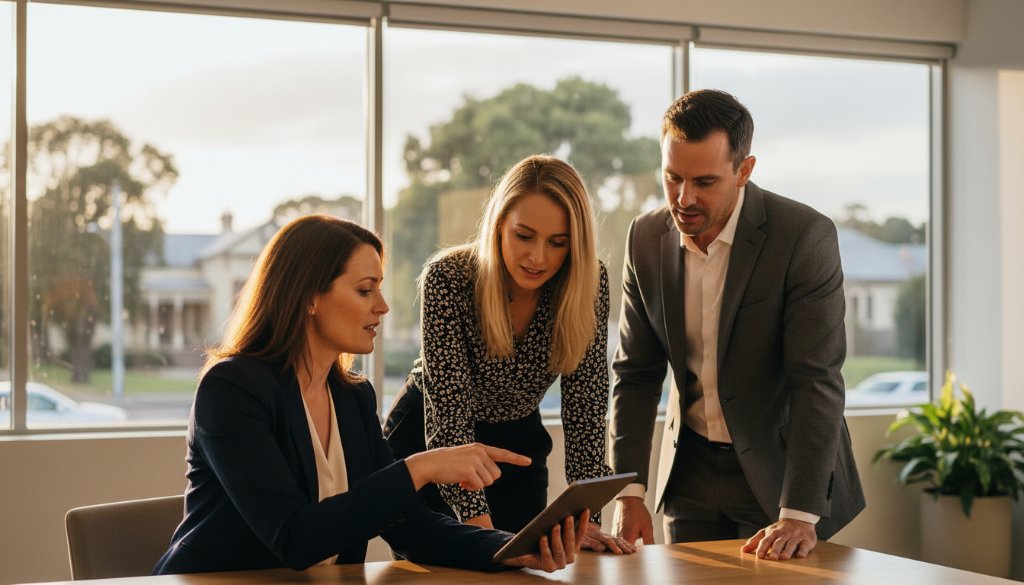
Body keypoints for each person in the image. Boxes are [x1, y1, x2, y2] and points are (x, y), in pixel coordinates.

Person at [154, 215, 588, 575]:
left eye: (379, 288)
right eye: (365, 289)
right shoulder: (231, 389)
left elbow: (412, 529)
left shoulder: (351, 397)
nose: (382, 305)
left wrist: (514, 547)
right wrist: (418, 468)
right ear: (309, 297)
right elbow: (295, 538)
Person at [608, 89, 865, 561]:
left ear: (744, 171)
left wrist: (800, 512)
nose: (683, 199)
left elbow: (816, 381)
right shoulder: (645, 238)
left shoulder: (803, 236)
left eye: (704, 181)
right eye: (672, 178)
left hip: (780, 476)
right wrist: (628, 492)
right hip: (690, 475)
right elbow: (635, 375)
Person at [384, 155, 633, 554]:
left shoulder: (590, 282)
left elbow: (585, 408)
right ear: (499, 224)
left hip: (516, 444)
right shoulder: (448, 278)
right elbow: (449, 414)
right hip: (433, 441)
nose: (538, 257)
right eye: (524, 236)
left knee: (530, 567)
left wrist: (585, 518)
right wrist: (479, 530)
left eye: (557, 242)